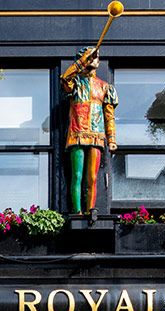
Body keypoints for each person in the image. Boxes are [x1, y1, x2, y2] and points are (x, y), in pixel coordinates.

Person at [59, 46, 118, 215]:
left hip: (96, 134)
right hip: (77, 132)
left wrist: (112, 139)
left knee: (92, 177)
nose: (95, 59)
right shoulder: (75, 82)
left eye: (96, 56)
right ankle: (77, 211)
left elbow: (109, 115)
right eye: (91, 56)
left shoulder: (105, 87)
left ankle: (90, 209)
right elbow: (65, 78)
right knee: (76, 175)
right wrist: (83, 59)